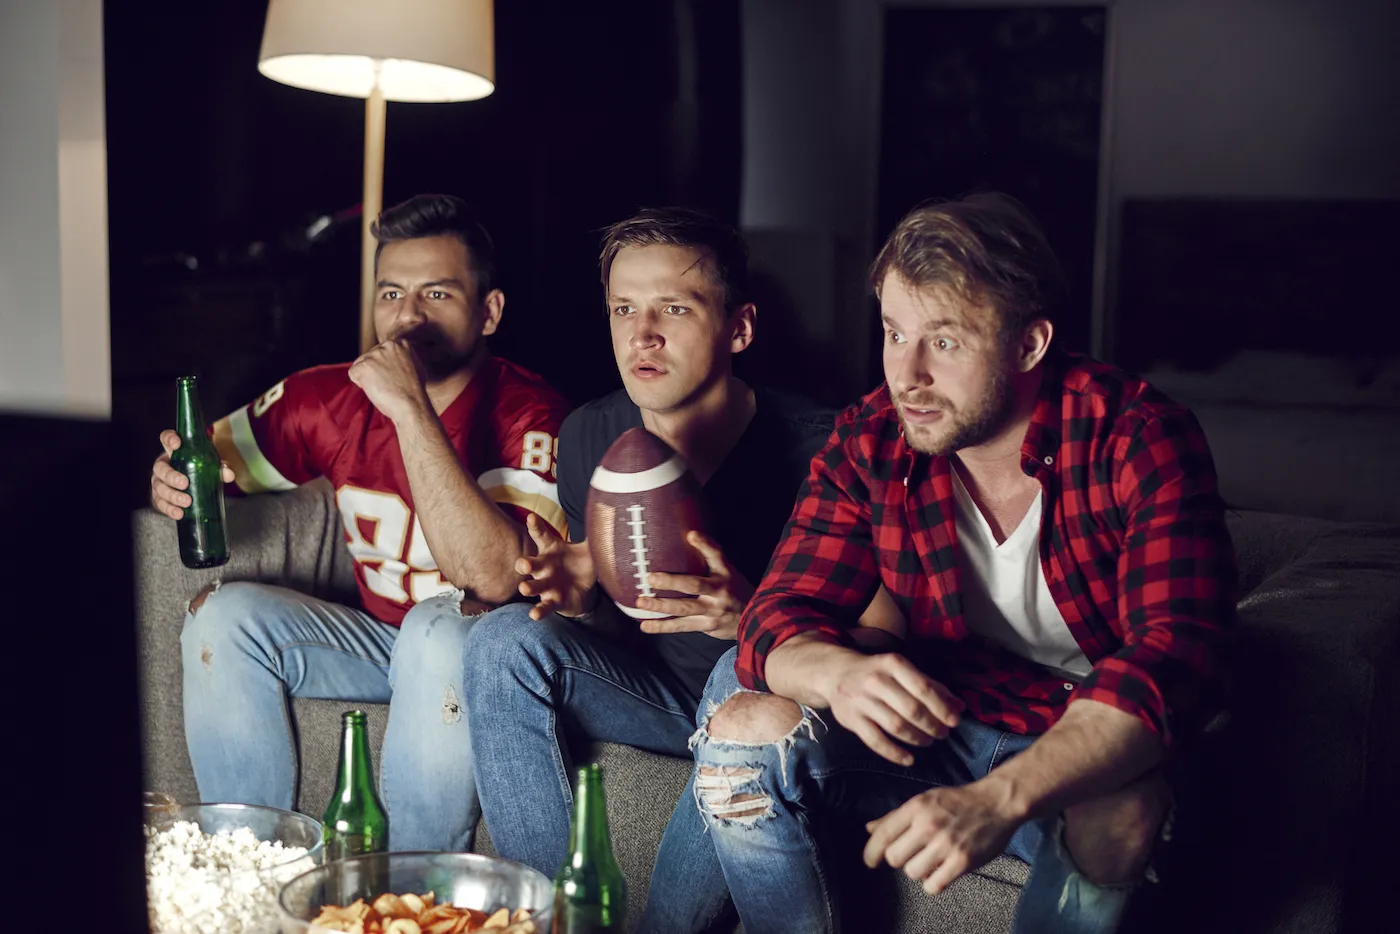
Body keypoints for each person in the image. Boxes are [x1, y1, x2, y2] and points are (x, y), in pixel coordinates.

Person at [647, 192, 1238, 934]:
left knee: (1122, 810)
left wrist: (999, 800)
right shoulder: (873, 440)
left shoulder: (1136, 436)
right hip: (944, 714)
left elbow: (1175, 659)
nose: (909, 374)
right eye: (895, 333)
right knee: (741, 728)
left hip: (1075, 741)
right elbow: (775, 616)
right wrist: (839, 674)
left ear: (1029, 345)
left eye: (946, 342)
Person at [439, 207, 901, 889]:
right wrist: (579, 600)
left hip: (768, 703)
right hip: (656, 693)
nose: (642, 334)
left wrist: (755, 621)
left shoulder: (823, 451)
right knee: (500, 640)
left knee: (739, 673)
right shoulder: (591, 435)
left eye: (674, 309)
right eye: (623, 309)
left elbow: (890, 641)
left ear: (739, 328)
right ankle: (549, 911)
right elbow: (617, 632)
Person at [149, 194, 570, 849]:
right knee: (220, 616)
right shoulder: (329, 394)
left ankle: (408, 889)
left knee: (439, 627)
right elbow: (207, 459)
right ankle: (251, 872)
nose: (406, 317)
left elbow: (495, 582)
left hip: (475, 648)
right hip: (378, 641)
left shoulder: (530, 413)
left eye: (436, 294)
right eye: (390, 293)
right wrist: (174, 476)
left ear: (488, 312)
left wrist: (410, 411)